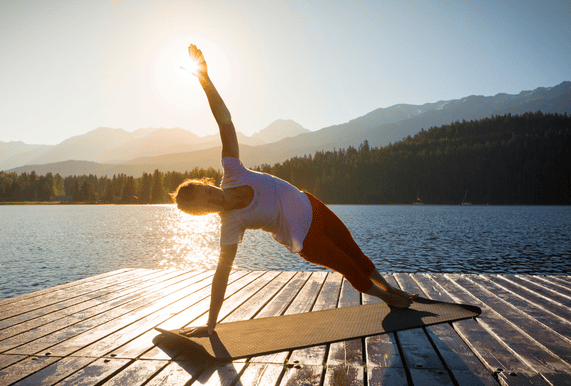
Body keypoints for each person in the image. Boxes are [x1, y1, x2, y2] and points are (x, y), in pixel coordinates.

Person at [171, 44, 417, 336]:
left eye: (208, 191)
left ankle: (389, 288)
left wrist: (205, 79)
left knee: (355, 253)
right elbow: (221, 274)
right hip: (305, 238)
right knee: (348, 267)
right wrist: (211, 324)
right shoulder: (231, 224)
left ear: (207, 184)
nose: (215, 198)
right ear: (203, 213)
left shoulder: (233, 172)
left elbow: (225, 121)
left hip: (313, 205)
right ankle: (389, 299)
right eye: (207, 204)